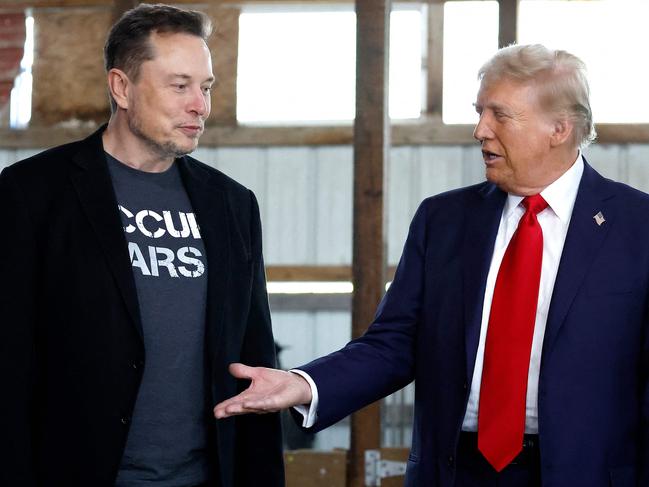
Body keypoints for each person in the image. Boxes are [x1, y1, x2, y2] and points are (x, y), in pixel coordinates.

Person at [214, 44, 649, 487]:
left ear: (559, 128)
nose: (480, 130)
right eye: (479, 112)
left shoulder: (638, 227)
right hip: (454, 471)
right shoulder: (443, 220)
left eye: (500, 115)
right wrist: (305, 385)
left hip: (588, 473)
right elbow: (394, 343)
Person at [0, 4, 283, 486]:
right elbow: (7, 364)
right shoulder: (32, 193)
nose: (200, 105)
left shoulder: (232, 204)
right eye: (180, 86)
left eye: (206, 87)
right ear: (121, 87)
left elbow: (254, 358)